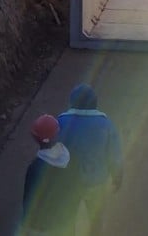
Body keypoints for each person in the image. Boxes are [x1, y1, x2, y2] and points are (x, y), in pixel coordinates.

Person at [57, 84, 123, 235]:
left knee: (67, 220)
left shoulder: (61, 122)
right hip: (96, 182)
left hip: (68, 184)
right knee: (96, 219)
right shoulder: (106, 124)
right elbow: (114, 155)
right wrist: (117, 176)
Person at [19, 114, 79, 236]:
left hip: (40, 226)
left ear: (36, 139)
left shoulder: (35, 168)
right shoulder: (70, 157)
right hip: (64, 222)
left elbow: (29, 199)